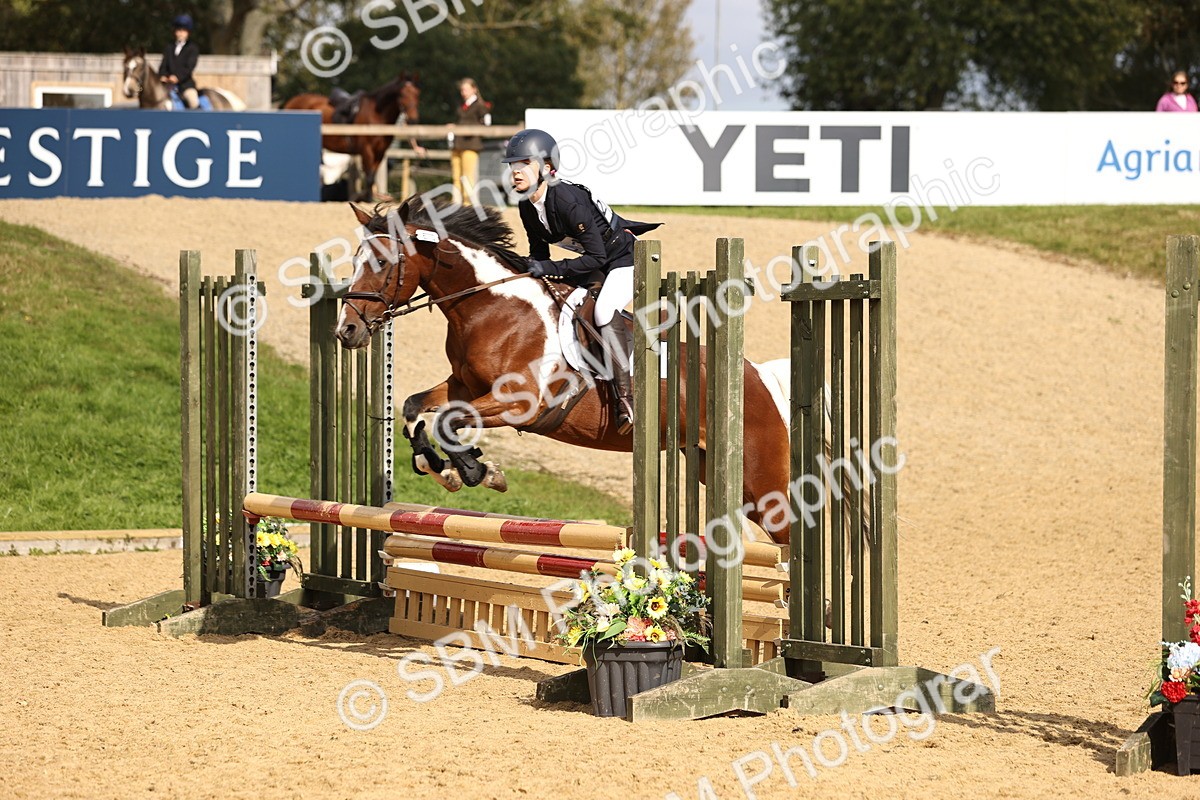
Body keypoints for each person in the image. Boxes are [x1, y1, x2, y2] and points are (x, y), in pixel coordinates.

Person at [502, 128, 660, 434]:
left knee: (603, 311)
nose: (516, 171)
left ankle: (626, 399)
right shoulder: (526, 205)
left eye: (524, 163)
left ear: (547, 167)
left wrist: (549, 268)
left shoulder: (566, 199)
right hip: (593, 263)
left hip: (624, 260)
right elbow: (539, 253)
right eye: (512, 165)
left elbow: (597, 257)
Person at [450, 78, 491, 205]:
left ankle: (468, 204)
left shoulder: (479, 105)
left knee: (468, 177)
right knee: (456, 177)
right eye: (462, 90)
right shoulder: (461, 105)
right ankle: (456, 203)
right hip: (458, 143)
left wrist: (474, 130)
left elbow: (487, 123)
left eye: (466, 89)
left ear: (474, 89)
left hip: (471, 144)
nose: (463, 92)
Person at [160, 14, 200, 109]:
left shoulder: (192, 48)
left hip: (185, 85)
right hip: (168, 85)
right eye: (178, 30)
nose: (181, 33)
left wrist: (177, 77)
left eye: (183, 31)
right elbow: (163, 65)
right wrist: (163, 75)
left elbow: (189, 67)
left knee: (193, 101)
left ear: (188, 33)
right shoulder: (169, 47)